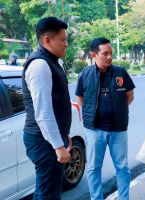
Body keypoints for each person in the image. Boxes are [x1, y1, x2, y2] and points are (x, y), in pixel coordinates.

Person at [75, 37, 135, 200]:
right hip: (94, 129)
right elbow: (80, 98)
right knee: (94, 167)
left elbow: (130, 95)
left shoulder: (120, 72)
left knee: (122, 167)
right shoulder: (85, 74)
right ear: (94, 55)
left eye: (111, 53)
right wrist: (90, 113)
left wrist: (118, 110)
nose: (109, 57)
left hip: (118, 129)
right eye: (105, 54)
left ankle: (124, 198)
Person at [22, 17, 71, 199]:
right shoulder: (39, 65)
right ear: (47, 40)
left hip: (50, 140)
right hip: (43, 142)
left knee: (48, 190)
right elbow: (43, 112)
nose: (66, 44)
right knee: (47, 194)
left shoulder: (52, 61)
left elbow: (57, 104)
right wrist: (58, 146)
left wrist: (64, 137)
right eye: (63, 39)